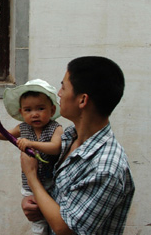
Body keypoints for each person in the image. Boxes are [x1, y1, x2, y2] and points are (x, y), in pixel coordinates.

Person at [20, 56, 135, 235]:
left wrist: (31, 177)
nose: (59, 93)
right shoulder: (68, 138)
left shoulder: (105, 168)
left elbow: (65, 228)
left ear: (82, 100)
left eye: (64, 87)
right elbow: (62, 201)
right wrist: (36, 203)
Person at [0, 79, 63, 235]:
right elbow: (6, 135)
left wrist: (32, 144)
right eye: (28, 110)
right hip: (29, 185)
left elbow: (55, 148)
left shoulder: (55, 128)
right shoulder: (23, 128)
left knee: (52, 215)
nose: (34, 114)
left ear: (52, 109)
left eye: (41, 108)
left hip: (51, 183)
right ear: (21, 112)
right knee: (37, 219)